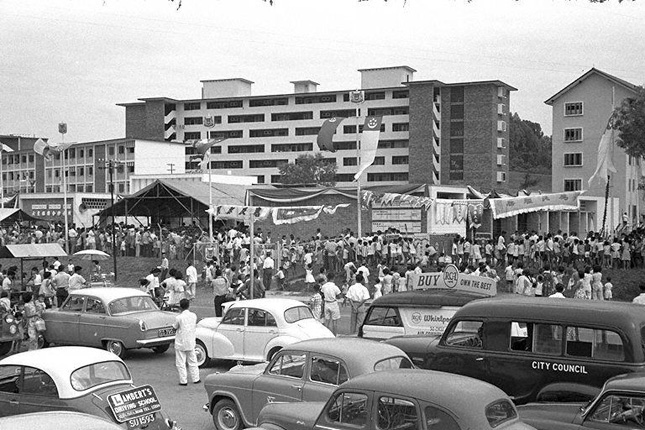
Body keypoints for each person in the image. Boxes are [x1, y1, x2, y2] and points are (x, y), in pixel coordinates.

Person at [172, 299, 200, 386]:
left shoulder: (179, 317)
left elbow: (175, 327)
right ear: (189, 306)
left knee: (181, 362)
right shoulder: (193, 316)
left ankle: (183, 380)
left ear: (180, 306)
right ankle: (196, 378)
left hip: (181, 342)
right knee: (193, 361)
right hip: (191, 341)